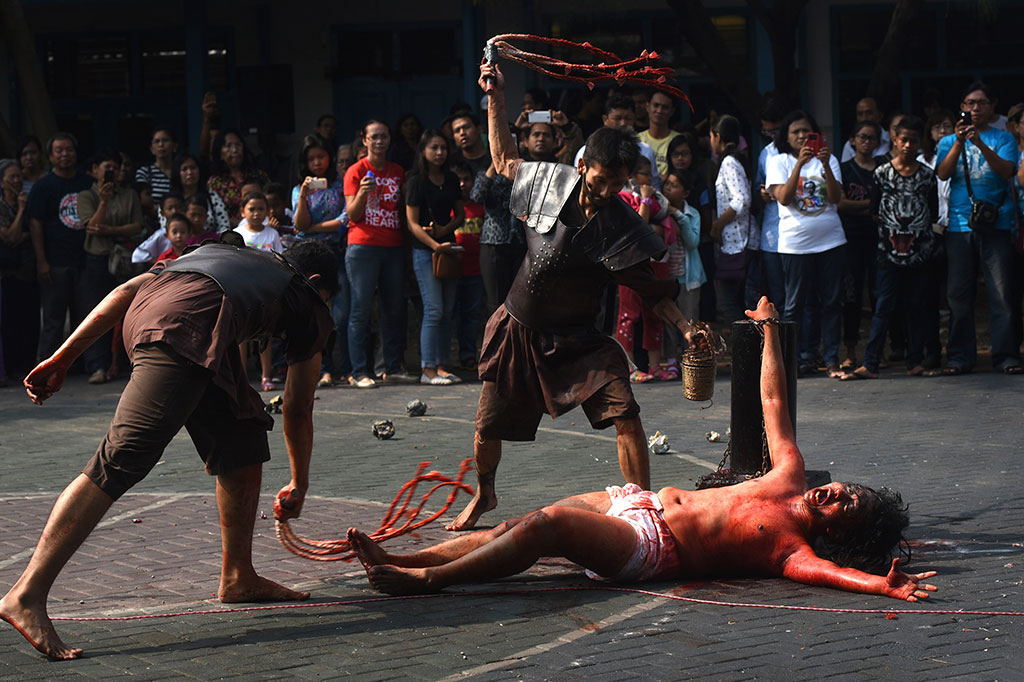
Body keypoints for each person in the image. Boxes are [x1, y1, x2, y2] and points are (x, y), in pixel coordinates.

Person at [349, 297, 938, 606]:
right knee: (521, 524)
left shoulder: (793, 550)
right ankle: (408, 561)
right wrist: (770, 332)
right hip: (639, 502)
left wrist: (880, 586)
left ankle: (431, 583)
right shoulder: (788, 473)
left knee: (548, 526)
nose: (836, 492)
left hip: (652, 548)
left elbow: (832, 576)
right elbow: (773, 402)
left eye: (845, 506)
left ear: (838, 531)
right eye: (848, 489)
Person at [0, 239, 337, 660]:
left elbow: (126, 291)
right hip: (186, 328)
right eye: (326, 298)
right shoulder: (303, 295)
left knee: (242, 438)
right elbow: (299, 407)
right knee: (119, 460)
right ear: (317, 282)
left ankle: (238, 576)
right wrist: (299, 482)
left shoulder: (225, 254)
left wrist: (65, 356)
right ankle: (26, 594)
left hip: (163, 318)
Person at [447, 61, 697, 532]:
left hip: (581, 341)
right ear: (583, 166)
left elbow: (651, 289)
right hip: (519, 329)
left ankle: (643, 509)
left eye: (616, 184)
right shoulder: (547, 181)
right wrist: (496, 99)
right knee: (486, 428)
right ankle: (485, 495)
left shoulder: (623, 226)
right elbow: (502, 161)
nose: (605, 191)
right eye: (600, 179)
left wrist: (687, 329)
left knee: (626, 413)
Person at [842, 116, 939, 380]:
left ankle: (915, 360)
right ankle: (871, 363)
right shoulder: (881, 173)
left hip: (920, 254)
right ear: (894, 141)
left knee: (916, 306)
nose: (908, 145)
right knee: (883, 306)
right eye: (903, 140)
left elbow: (932, 213)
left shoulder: (928, 176)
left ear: (920, 143)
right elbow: (874, 212)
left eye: (914, 141)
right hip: (887, 253)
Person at [934, 81, 1021, 375]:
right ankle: (959, 357)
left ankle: (1006, 356)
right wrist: (959, 142)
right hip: (959, 226)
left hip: (996, 224)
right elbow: (943, 174)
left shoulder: (1003, 139)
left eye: (981, 103)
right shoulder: (948, 141)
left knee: (1002, 295)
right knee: (959, 295)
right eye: (970, 103)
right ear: (962, 107)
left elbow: (1007, 171)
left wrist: (980, 143)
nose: (975, 108)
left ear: (992, 107)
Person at [766, 111, 846, 378]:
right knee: (795, 305)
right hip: (795, 244)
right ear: (786, 137)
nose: (801, 136)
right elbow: (784, 198)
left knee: (832, 301)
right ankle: (795, 360)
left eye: (806, 132)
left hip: (831, 241)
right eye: (795, 132)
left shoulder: (830, 159)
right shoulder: (778, 161)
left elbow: (836, 198)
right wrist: (799, 165)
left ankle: (832, 358)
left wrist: (823, 166)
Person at [343, 120, 413, 388]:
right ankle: (359, 372)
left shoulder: (397, 171)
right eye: (374, 137)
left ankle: (391, 367)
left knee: (393, 309)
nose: (379, 141)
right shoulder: (356, 170)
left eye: (384, 136)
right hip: (363, 247)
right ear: (365, 140)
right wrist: (361, 193)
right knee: (360, 310)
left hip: (393, 246)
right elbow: (352, 214)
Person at [28, 133, 94, 375]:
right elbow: (35, 224)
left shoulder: (87, 183)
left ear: (76, 153)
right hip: (55, 262)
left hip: (84, 260)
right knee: (53, 321)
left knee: (85, 318)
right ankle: (45, 369)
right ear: (50, 156)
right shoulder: (43, 186)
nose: (65, 154)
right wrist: (41, 261)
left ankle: (81, 366)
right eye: (59, 150)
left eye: (69, 149)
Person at [77, 149, 145, 384]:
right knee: (96, 314)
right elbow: (92, 226)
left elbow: (137, 226)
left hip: (125, 260)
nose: (110, 172)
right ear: (95, 170)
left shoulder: (130, 195)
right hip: (98, 259)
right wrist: (104, 200)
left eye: (115, 168)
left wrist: (109, 231)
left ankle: (132, 367)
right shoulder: (86, 196)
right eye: (106, 167)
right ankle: (98, 367)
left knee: (129, 312)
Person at [406, 129, 465, 385]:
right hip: (424, 251)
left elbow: (461, 216)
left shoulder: (451, 179)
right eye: (434, 148)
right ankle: (427, 369)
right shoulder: (415, 181)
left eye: (443, 147)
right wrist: (434, 243)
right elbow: (412, 223)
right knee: (434, 309)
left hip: (449, 249)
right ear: (423, 151)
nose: (440, 153)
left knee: (448, 310)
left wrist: (445, 232)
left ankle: (442, 366)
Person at [293, 135, 350, 388]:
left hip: (337, 252)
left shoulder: (340, 186)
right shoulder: (299, 189)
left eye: (322, 156)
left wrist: (312, 227)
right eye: (311, 158)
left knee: (343, 311)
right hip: (311, 255)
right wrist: (304, 197)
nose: (317, 162)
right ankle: (324, 369)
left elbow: (343, 219)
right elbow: (300, 225)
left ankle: (347, 367)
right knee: (315, 313)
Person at [837, 121, 883, 370]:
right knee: (851, 296)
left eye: (872, 137)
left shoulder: (883, 168)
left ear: (877, 142)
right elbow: (841, 204)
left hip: (878, 238)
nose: (866, 142)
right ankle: (851, 350)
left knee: (880, 294)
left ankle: (879, 351)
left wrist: (866, 206)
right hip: (851, 238)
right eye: (862, 137)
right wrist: (872, 205)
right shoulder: (844, 169)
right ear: (853, 140)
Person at [709, 115, 752, 326]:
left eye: (711, 137)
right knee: (738, 299)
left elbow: (741, 199)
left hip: (738, 240)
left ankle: (747, 348)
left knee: (728, 301)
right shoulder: (737, 159)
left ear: (717, 137)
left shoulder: (728, 162)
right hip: (740, 240)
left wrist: (718, 224)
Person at [575, 93, 661, 191]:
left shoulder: (646, 150)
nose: (623, 123)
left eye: (628, 118)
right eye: (617, 118)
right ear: (605, 119)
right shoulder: (587, 151)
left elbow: (655, 186)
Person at [0, 159, 37, 383]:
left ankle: (27, 367)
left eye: (19, 177)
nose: (16, 181)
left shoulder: (30, 200)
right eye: (11, 177)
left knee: (30, 321)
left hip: (29, 270)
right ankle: (11, 368)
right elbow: (12, 237)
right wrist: (21, 210)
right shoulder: (3, 206)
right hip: (7, 273)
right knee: (10, 322)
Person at [207, 129, 270, 227]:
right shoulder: (215, 182)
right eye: (228, 146)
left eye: (238, 145)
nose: (235, 150)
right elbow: (214, 214)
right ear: (220, 152)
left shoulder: (258, 175)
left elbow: (271, 200)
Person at [171, 153, 231, 234]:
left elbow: (224, 226)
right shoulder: (171, 201)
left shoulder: (212, 197)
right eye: (184, 169)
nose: (189, 172)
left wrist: (214, 243)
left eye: (193, 168)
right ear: (177, 173)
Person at [638, 91, 681, 179]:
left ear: (672, 111)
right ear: (647, 107)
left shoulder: (679, 140)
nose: (659, 111)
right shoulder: (637, 140)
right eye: (656, 105)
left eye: (665, 107)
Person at [840, 98, 890, 162]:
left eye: (869, 113)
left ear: (880, 115)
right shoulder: (850, 145)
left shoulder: (890, 140)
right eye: (860, 114)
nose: (864, 118)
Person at [134, 128, 177, 202]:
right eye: (156, 141)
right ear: (152, 149)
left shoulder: (180, 171)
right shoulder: (144, 172)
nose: (161, 144)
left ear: (175, 146)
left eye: (165, 140)